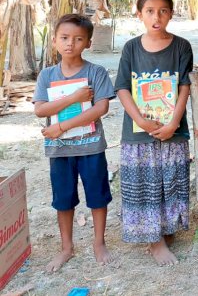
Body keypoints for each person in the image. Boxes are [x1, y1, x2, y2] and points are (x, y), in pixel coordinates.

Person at [114, 0, 193, 265]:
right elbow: (122, 87)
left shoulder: (182, 46)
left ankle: (166, 228)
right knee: (146, 182)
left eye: (163, 11)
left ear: (171, 14)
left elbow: (184, 86)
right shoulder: (131, 48)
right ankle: (155, 241)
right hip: (138, 131)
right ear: (139, 15)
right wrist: (140, 119)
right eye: (149, 11)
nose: (156, 16)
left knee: (170, 179)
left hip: (172, 129)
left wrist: (173, 123)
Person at [33, 14, 115, 272]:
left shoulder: (96, 72)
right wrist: (75, 97)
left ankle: (98, 242)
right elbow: (40, 110)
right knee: (64, 199)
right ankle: (66, 248)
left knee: (97, 195)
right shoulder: (47, 75)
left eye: (78, 39)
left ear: (88, 43)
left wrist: (61, 126)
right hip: (60, 151)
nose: (71, 44)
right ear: (55, 40)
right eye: (65, 38)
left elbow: (100, 108)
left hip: (91, 146)